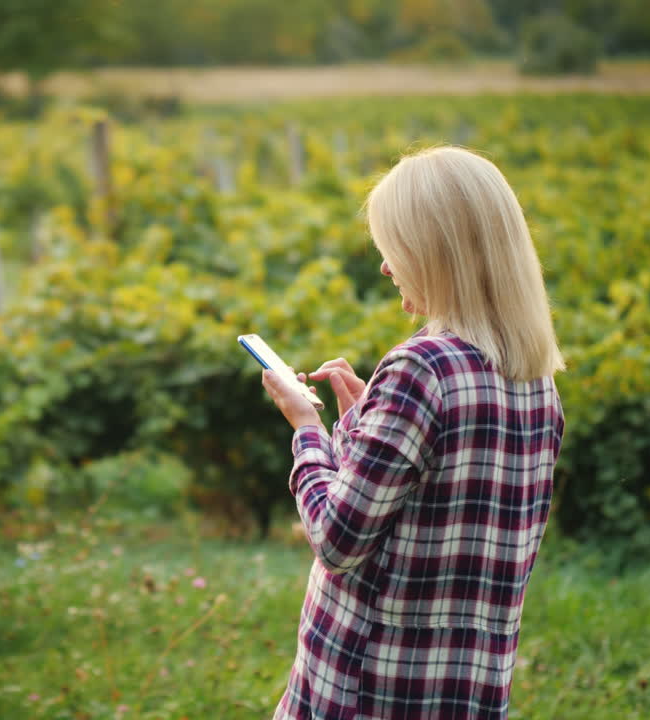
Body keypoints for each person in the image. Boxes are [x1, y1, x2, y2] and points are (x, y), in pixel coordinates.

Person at [260, 146, 566, 719]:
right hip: (466, 690)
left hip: (367, 688)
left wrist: (308, 430)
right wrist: (362, 421)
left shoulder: (420, 368)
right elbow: (438, 510)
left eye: (392, 249)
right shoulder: (536, 382)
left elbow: (338, 541)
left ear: (434, 252)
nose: (384, 266)